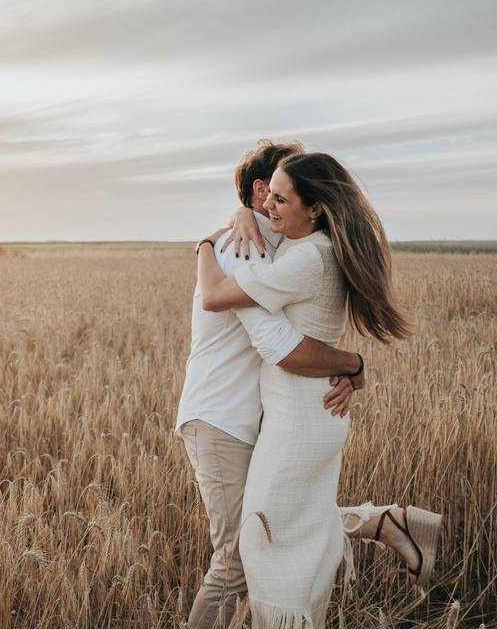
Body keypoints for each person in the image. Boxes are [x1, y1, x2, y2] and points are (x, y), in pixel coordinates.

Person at [177, 142, 430, 629]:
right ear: (260, 190)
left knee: (272, 531)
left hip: (259, 419)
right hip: (221, 420)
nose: (274, 204)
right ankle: (377, 522)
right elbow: (277, 343)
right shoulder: (238, 246)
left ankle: (380, 522)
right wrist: (352, 363)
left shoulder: (284, 248)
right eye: (271, 192)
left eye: (284, 195)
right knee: (236, 559)